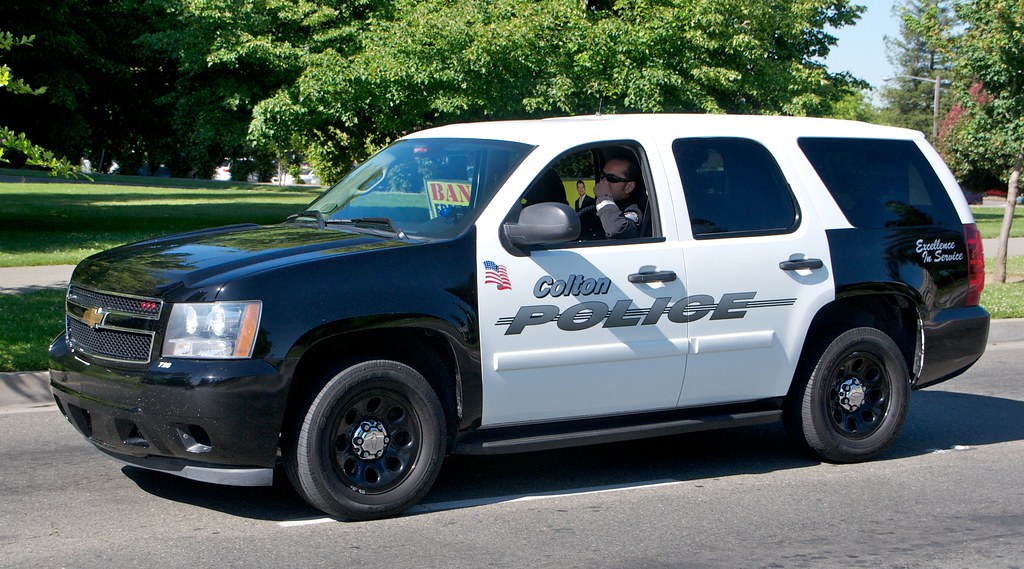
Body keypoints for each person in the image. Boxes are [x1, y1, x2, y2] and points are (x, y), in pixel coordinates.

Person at [593, 155, 644, 239]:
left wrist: (604, 197)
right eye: (602, 175)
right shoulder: (591, 207)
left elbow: (618, 229)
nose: (603, 181)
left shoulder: (633, 211)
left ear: (629, 187)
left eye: (611, 178)